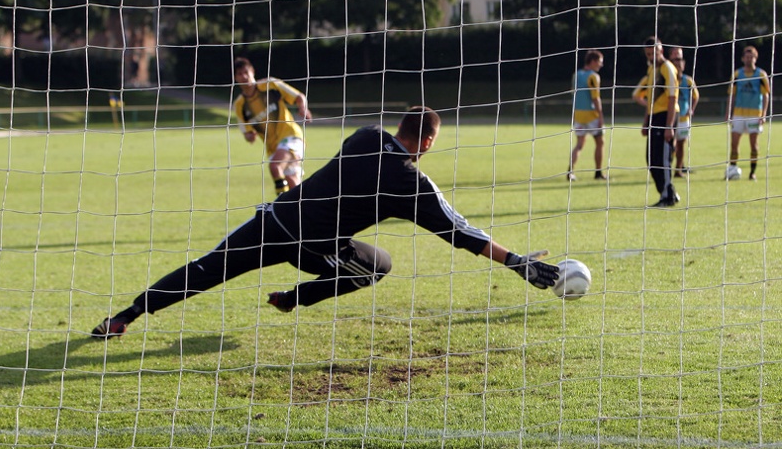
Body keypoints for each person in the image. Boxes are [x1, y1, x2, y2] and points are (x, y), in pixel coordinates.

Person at [91, 107, 560, 339]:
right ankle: (294, 299)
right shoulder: (410, 182)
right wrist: (518, 263)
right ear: (430, 140)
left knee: (207, 268)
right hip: (314, 245)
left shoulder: (365, 135)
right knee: (377, 266)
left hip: (275, 218)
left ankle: (123, 317)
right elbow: (460, 232)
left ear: (399, 127)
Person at [232, 57, 312, 195]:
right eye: (239, 74)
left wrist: (303, 108)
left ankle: (280, 206)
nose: (244, 76)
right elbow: (247, 133)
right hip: (273, 148)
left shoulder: (270, 85)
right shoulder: (239, 105)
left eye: (246, 72)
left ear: (253, 71)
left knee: (275, 167)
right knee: (295, 190)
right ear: (235, 78)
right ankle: (303, 212)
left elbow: (299, 96)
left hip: (291, 136)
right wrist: (250, 136)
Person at [637, 36, 679, 208]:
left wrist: (669, 125)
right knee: (651, 159)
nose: (650, 56)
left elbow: (672, 97)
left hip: (666, 116)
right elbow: (650, 98)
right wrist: (646, 121)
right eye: (647, 54)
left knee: (662, 159)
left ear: (660, 50)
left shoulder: (667, 68)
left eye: (653, 52)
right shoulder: (651, 70)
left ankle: (667, 196)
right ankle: (668, 192)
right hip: (655, 116)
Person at [726, 45, 770, 181]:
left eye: (752, 57)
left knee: (754, 145)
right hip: (739, 113)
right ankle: (732, 169)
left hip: (754, 114)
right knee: (734, 144)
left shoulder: (761, 75)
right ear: (742, 58)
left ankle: (752, 172)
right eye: (747, 57)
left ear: (755, 59)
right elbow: (732, 95)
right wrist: (729, 113)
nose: (749, 59)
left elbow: (766, 95)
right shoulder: (737, 74)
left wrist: (763, 114)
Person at [569, 50, 607, 181]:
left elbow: (573, 93)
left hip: (578, 114)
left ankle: (570, 171)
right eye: (600, 62)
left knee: (579, 144)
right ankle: (598, 172)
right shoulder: (593, 76)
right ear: (593, 61)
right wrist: (600, 116)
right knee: (600, 142)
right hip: (591, 115)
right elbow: (596, 98)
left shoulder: (576, 75)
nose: (601, 65)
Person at [667, 47, 699, 178]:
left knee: (681, 144)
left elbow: (696, 96)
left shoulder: (688, 81)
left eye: (680, 61)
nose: (678, 64)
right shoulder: (667, 79)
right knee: (670, 145)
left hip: (683, 118)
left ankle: (678, 170)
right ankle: (667, 169)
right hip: (670, 116)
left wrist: (691, 109)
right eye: (675, 61)